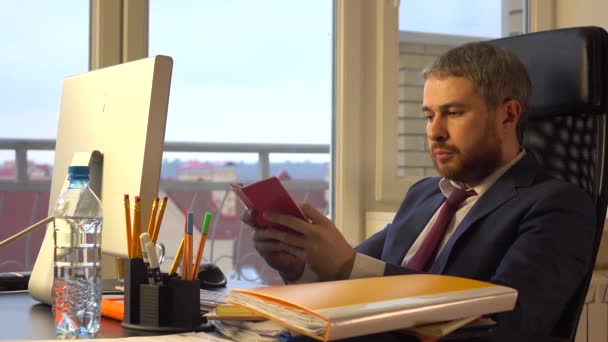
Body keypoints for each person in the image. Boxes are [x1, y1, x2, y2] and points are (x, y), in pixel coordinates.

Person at [241, 41, 596, 337]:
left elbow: (508, 328)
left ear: (508, 115)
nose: (434, 131)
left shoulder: (558, 206)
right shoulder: (425, 195)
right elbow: (355, 274)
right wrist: (299, 265)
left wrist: (347, 265)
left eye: (453, 113)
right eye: (429, 116)